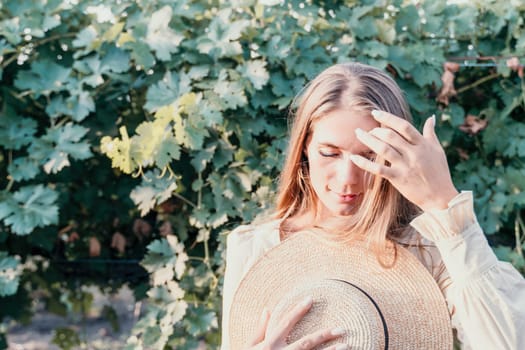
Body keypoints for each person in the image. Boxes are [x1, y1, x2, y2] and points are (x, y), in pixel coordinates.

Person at [221, 62, 525, 349]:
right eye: (329, 153)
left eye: (368, 157)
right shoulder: (256, 247)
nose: (348, 179)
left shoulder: (431, 250)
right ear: (304, 150)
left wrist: (443, 200)